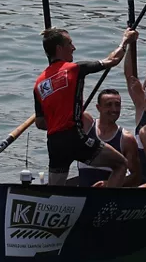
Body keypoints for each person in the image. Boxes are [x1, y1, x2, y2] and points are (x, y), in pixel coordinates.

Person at [34, 26, 132, 186]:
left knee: (55, 189)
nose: (74, 48)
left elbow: (40, 123)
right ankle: (104, 207)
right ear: (59, 48)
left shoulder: (39, 83)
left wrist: (59, 118)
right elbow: (113, 60)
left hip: (54, 143)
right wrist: (125, 41)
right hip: (74, 138)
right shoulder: (74, 69)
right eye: (70, 44)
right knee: (121, 164)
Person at [76, 88, 142, 187]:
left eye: (117, 105)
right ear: (98, 108)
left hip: (108, 197)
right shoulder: (87, 125)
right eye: (109, 105)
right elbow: (72, 106)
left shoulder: (126, 139)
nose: (114, 109)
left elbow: (136, 176)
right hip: (82, 194)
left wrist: (109, 184)